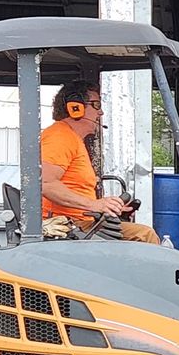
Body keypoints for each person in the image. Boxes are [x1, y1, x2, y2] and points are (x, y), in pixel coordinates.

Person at [41, 80, 159, 243]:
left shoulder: (72, 138)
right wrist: (94, 205)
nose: (101, 113)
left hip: (82, 222)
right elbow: (46, 184)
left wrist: (108, 207)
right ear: (75, 107)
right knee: (145, 235)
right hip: (68, 226)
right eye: (96, 105)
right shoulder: (59, 137)